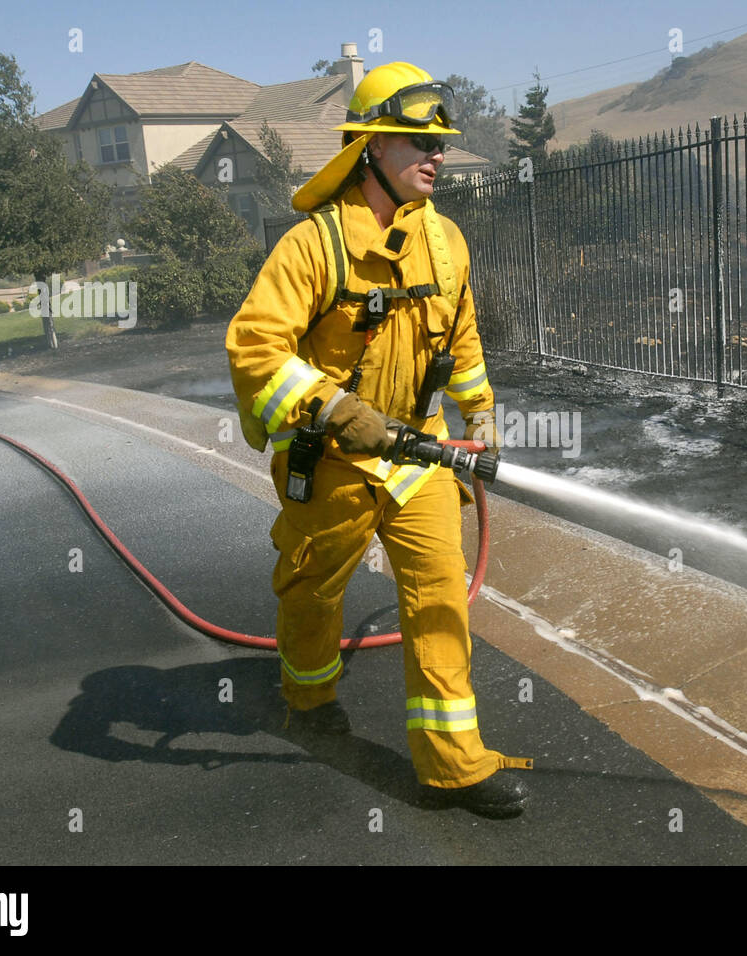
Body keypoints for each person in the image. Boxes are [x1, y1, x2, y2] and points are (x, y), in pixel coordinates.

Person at [225, 61, 530, 818]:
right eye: (413, 143)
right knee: (312, 591)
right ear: (369, 149)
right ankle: (309, 696)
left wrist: (480, 417)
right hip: (331, 462)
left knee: (438, 600)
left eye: (440, 145)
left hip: (418, 459)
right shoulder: (313, 248)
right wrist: (333, 410)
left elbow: (461, 338)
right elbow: (256, 349)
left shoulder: (447, 242)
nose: (436, 158)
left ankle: (453, 767)